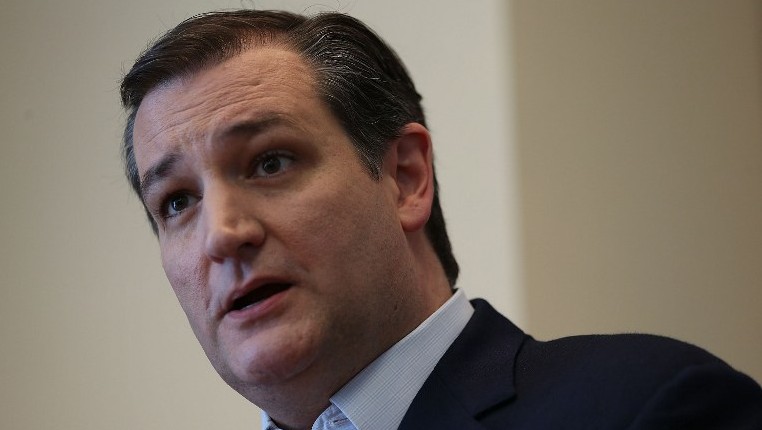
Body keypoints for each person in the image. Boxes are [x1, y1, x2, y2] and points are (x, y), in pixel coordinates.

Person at [120, 9, 761, 430]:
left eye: (270, 162)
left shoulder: (648, 408)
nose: (222, 233)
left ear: (406, 178)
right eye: (176, 202)